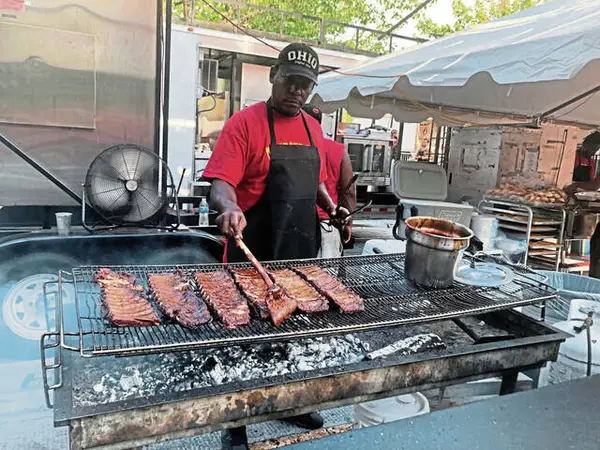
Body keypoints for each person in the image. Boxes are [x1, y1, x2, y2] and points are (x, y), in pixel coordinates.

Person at [202, 43, 349, 446]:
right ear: (273, 76)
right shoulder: (244, 124)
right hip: (253, 249)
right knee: (243, 340)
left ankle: (290, 404)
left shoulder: (312, 127)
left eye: (306, 85)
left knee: (293, 335)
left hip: (299, 252)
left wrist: (331, 207)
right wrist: (229, 207)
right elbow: (221, 183)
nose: (297, 91)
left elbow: (316, 181)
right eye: (290, 81)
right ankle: (235, 422)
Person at [302, 103, 356, 257]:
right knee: (326, 271)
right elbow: (349, 191)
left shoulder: (292, 147)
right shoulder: (338, 149)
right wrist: (348, 224)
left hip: (298, 223)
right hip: (327, 224)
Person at [563, 131, 600, 278]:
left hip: (580, 194)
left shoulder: (593, 160)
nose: (592, 153)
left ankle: (594, 283)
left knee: (597, 247)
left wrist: (574, 186)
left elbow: (595, 185)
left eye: (594, 149)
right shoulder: (576, 157)